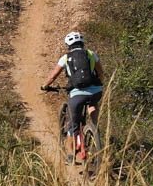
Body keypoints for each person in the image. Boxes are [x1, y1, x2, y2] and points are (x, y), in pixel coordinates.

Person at [41, 31, 105, 164]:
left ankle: (70, 155)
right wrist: (98, 84)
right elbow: (100, 73)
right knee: (92, 104)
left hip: (77, 94)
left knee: (72, 124)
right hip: (95, 91)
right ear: (82, 43)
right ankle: (95, 130)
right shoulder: (91, 54)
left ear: (68, 45)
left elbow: (53, 76)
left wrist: (44, 86)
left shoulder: (65, 58)